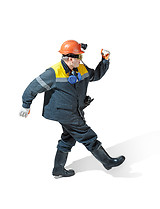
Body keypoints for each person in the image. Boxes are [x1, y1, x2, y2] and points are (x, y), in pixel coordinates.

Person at [20, 40, 125, 177]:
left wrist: (104, 61)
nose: (81, 60)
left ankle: (58, 170)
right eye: (79, 57)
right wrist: (26, 105)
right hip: (63, 112)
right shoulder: (53, 73)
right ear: (70, 58)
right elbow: (32, 88)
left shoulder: (81, 68)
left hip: (75, 110)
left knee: (68, 138)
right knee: (87, 136)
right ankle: (107, 162)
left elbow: (96, 75)